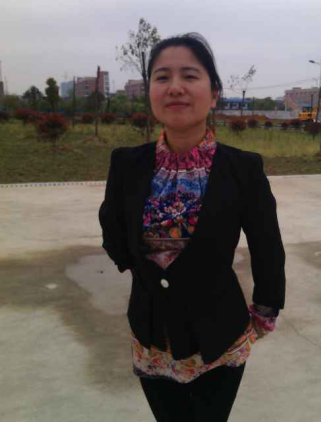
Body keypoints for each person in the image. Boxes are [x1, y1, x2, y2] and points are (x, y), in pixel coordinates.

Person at [99, 32, 286, 422]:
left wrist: (264, 312)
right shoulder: (127, 163)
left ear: (213, 93)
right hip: (150, 334)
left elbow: (267, 246)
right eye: (162, 77)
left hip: (220, 337)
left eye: (189, 75)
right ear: (150, 92)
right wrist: (146, 275)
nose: (175, 87)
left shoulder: (243, 169)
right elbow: (112, 229)